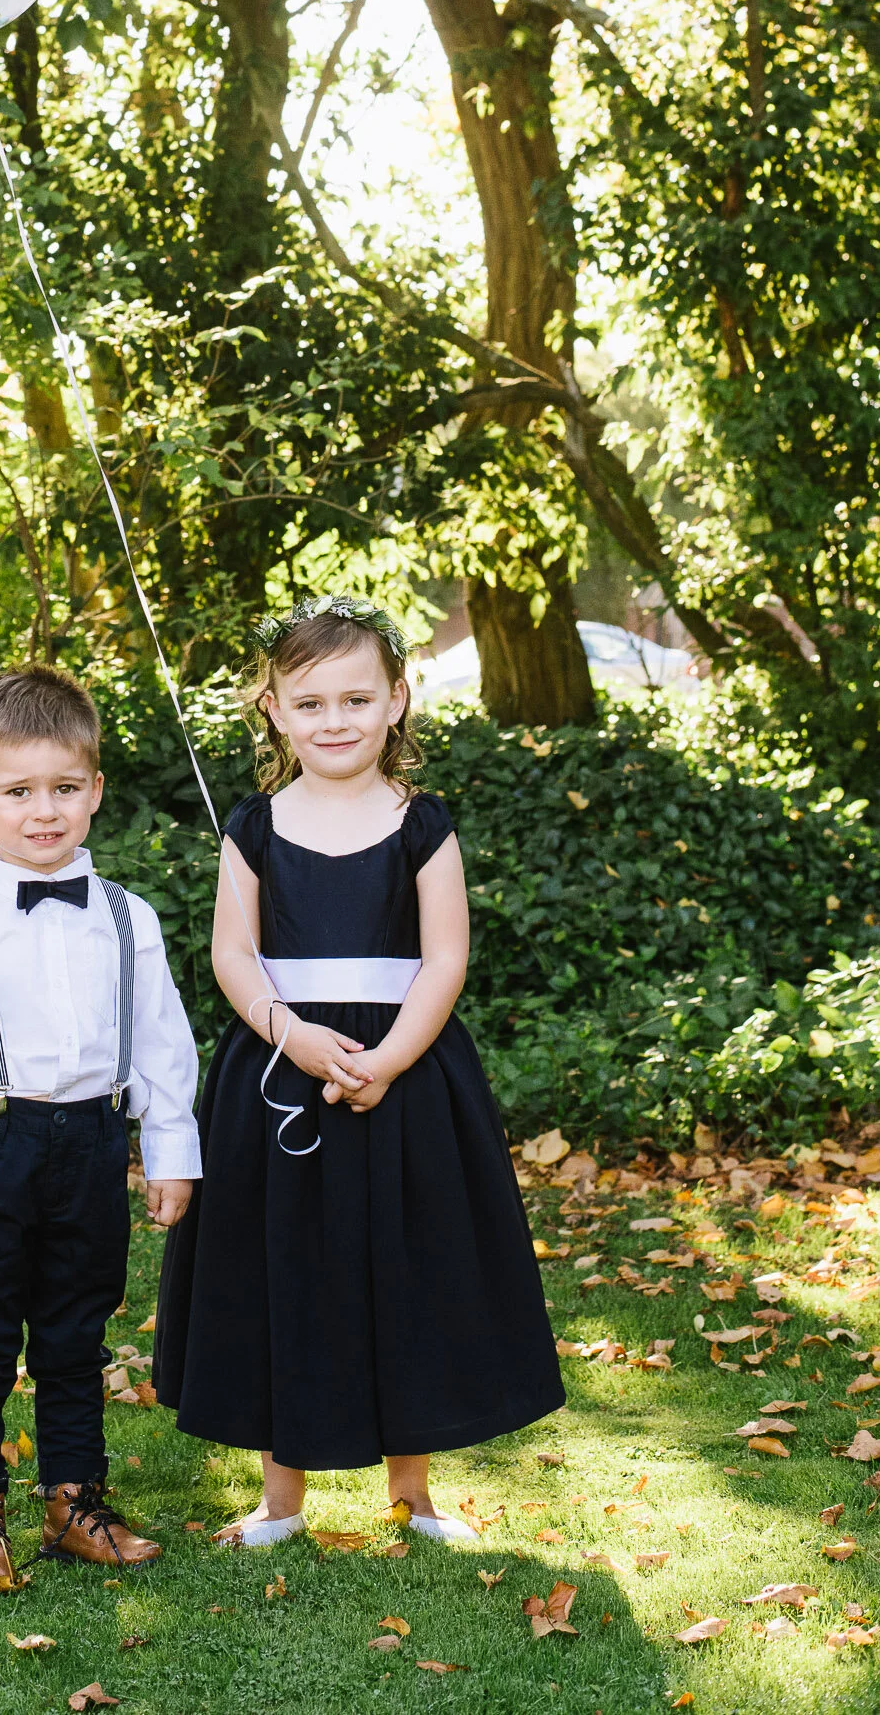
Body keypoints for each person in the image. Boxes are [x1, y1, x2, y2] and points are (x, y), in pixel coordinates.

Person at [154, 595, 563, 1548]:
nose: (332, 721)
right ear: (272, 710)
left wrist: (386, 1059)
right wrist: (287, 1034)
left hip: (404, 1075)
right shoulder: (252, 826)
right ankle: (278, 1501)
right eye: (308, 703)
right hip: (277, 1072)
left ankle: (413, 1496)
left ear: (396, 702)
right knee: (278, 1267)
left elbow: (446, 958)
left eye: (353, 699)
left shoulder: (422, 822)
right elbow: (230, 956)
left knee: (405, 1270)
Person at [0, 664, 201, 1592]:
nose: (43, 811)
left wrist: (169, 1152)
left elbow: (163, 1046)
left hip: (93, 1143)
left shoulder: (129, 920)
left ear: (95, 790)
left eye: (63, 789)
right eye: (19, 792)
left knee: (74, 1331)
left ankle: (73, 1501)